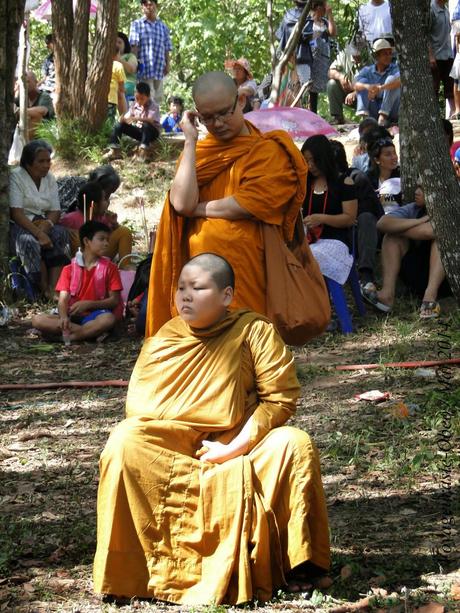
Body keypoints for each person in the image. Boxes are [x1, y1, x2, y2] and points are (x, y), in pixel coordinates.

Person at [93, 253, 330, 604]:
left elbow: (279, 400)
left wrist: (233, 447)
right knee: (124, 441)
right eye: (181, 288)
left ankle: (298, 565)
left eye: (198, 287)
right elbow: (140, 409)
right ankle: (137, 570)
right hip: (174, 447)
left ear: (226, 296)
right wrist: (188, 439)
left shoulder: (254, 331)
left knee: (294, 444)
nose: (185, 296)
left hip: (241, 442)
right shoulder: (166, 336)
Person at [145, 71, 308, 336]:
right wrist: (189, 141)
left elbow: (250, 203)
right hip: (198, 271)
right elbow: (181, 202)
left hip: (248, 264)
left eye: (223, 113)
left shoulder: (267, 149)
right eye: (208, 117)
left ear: (241, 101)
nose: (217, 123)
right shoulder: (199, 152)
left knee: (245, 340)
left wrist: (198, 209)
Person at [31, 221, 123, 342]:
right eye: (101, 239)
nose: (106, 243)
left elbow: (114, 300)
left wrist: (89, 304)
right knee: (37, 320)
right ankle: (90, 333)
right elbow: (63, 299)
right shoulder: (69, 269)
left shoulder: (110, 268)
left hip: (96, 315)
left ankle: (69, 337)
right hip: (72, 316)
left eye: (107, 240)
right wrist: (63, 317)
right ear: (86, 241)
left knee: (108, 319)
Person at [368, 187, 448, 318]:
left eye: (423, 188)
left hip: (444, 279)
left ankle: (430, 298)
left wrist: (398, 227)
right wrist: (419, 221)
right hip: (417, 271)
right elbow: (382, 223)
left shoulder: (450, 208)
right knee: (391, 238)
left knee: (440, 241)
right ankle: (387, 295)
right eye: (417, 187)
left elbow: (431, 231)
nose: (417, 192)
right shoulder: (414, 208)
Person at [9, 140, 70, 298]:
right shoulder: (16, 176)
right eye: (41, 161)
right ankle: (42, 290)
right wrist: (39, 233)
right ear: (28, 164)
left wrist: (47, 225)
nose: (46, 165)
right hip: (22, 224)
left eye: (48, 160)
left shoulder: (49, 178)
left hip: (43, 222)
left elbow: (55, 210)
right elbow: (16, 213)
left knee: (61, 233)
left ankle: (54, 288)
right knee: (28, 242)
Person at [301, 135, 358, 286]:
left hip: (336, 241)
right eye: (306, 161)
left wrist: (321, 219)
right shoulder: (305, 184)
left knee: (309, 256)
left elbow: (349, 218)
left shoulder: (344, 182)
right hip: (309, 239)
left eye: (314, 160)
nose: (310, 166)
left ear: (324, 158)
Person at [330, 140, 384, 295]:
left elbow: (369, 210)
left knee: (365, 218)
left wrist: (347, 217)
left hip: (362, 231)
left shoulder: (357, 178)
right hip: (335, 231)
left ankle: (366, 275)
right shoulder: (321, 183)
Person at [60, 181, 134, 267]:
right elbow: (59, 229)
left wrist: (114, 225)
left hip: (102, 254)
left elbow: (110, 236)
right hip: (82, 260)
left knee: (123, 231)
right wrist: (70, 231)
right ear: (94, 206)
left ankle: (124, 268)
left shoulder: (103, 218)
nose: (108, 203)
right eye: (104, 200)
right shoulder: (71, 218)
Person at [129, 0, 173, 104]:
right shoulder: (137, 24)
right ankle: (145, 119)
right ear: (142, 8)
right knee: (147, 97)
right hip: (144, 68)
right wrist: (134, 63)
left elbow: (167, 47)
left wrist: (168, 64)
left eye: (151, 4)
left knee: (157, 98)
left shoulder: (163, 26)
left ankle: (155, 119)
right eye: (145, 4)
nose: (148, 7)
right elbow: (134, 45)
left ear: (156, 6)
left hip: (159, 68)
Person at [105, 81, 160, 161]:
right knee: (119, 125)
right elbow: (128, 116)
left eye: (142, 99)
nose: (139, 101)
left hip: (152, 133)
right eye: (137, 98)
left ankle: (143, 151)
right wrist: (123, 119)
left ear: (148, 97)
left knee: (146, 125)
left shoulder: (153, 105)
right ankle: (114, 150)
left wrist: (135, 118)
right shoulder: (134, 104)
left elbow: (151, 120)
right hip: (140, 132)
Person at [354, 38, 401, 126]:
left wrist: (381, 88)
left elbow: (401, 81)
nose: (388, 57)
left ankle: (383, 117)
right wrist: (368, 87)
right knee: (362, 82)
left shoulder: (395, 68)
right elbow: (355, 85)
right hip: (374, 108)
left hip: (392, 110)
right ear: (377, 56)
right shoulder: (367, 70)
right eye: (385, 54)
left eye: (390, 54)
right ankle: (365, 118)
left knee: (391, 80)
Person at [306, 1, 337, 114]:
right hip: (308, 57)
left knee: (315, 89)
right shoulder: (307, 21)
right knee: (306, 86)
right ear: (318, 8)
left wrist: (330, 15)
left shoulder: (324, 22)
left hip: (321, 58)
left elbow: (333, 33)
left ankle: (313, 113)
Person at [327, 43, 363, 124]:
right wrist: (340, 77)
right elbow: (330, 72)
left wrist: (355, 92)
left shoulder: (370, 58)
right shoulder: (344, 54)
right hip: (347, 92)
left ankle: (369, 118)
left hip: (364, 94)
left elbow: (375, 83)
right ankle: (337, 117)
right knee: (332, 84)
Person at [429, 0, 455, 115]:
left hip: (448, 54)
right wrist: (430, 55)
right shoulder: (431, 9)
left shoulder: (446, 9)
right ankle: (433, 115)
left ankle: (454, 111)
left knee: (450, 85)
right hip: (436, 56)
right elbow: (426, 34)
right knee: (434, 87)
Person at [14, 71, 55, 140]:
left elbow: (41, 111)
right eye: (23, 82)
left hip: (43, 136)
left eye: (28, 82)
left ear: (36, 82)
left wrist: (19, 112)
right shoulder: (22, 97)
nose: (25, 85)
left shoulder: (44, 96)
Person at [366, 136, 401, 214]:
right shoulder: (369, 178)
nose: (394, 157)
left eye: (394, 153)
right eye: (388, 155)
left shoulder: (401, 175)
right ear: (377, 160)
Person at [116, 31, 138, 99]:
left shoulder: (130, 56)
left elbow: (132, 69)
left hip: (128, 83)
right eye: (115, 42)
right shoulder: (108, 57)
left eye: (119, 42)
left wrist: (119, 60)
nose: (116, 44)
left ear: (125, 45)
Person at [108, 47, 127, 120]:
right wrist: (123, 90)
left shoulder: (104, 65)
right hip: (112, 98)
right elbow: (121, 82)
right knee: (110, 120)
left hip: (101, 97)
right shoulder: (118, 65)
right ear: (116, 54)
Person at [38, 34, 56, 99]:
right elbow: (44, 78)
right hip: (47, 87)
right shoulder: (48, 60)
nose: (47, 46)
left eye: (49, 43)